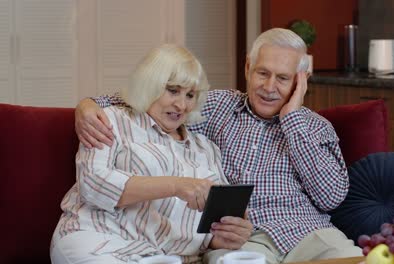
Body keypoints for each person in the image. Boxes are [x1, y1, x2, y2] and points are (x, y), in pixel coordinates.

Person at [75, 28, 362, 263]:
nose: (269, 86)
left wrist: (292, 119)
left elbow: (330, 198)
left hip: (308, 233)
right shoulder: (216, 105)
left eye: (283, 78)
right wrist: (86, 107)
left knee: (356, 260)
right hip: (243, 239)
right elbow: (148, 97)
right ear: (248, 67)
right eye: (263, 73)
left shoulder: (314, 127)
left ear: (301, 82)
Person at [51, 44, 253, 264]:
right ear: (150, 85)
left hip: (163, 257)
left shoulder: (205, 149)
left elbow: (209, 222)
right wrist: (176, 185)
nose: (182, 104)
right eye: (173, 90)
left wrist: (223, 236)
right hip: (99, 241)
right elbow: (93, 184)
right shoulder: (112, 121)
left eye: (190, 95)